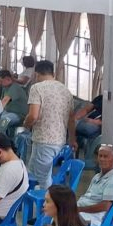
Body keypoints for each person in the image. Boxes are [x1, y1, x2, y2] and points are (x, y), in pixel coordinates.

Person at [23, 60, 72, 189]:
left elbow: (33, 115)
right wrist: (73, 139)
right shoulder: (65, 90)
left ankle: (48, 206)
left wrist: (26, 124)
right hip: (60, 140)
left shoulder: (37, 88)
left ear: (36, 74)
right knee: (32, 171)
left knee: (44, 180)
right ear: (53, 73)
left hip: (43, 139)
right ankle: (33, 202)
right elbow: (71, 118)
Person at [76, 145, 113, 226]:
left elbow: (105, 206)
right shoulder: (97, 177)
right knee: (53, 212)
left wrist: (79, 209)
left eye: (106, 156)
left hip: (92, 217)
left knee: (60, 218)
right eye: (100, 156)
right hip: (81, 210)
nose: (102, 159)